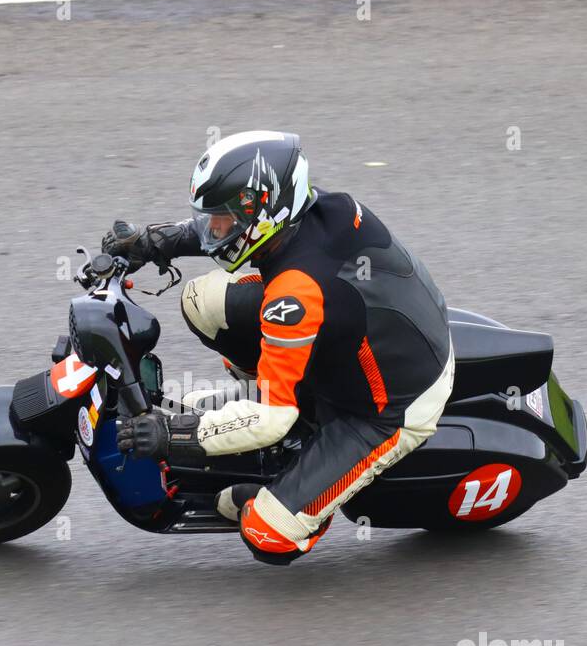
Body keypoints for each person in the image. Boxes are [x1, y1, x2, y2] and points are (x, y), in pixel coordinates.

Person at [103, 130, 455, 564]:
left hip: (384, 410)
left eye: (223, 220)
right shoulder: (312, 207)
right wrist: (152, 242)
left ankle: (305, 506)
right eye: (213, 218)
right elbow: (231, 230)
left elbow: (272, 418)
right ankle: (284, 395)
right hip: (360, 337)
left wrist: (169, 437)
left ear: (265, 212)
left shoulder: (294, 295)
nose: (214, 231)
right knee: (203, 301)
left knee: (267, 533)